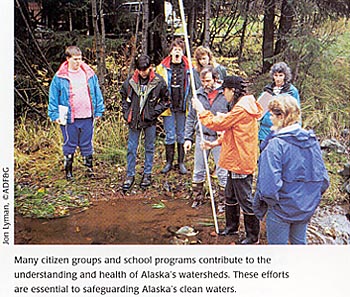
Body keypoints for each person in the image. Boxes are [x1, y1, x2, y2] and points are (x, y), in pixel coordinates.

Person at [192, 75, 263, 244]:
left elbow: (220, 123)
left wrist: (202, 110)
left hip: (240, 160)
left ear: (233, 90)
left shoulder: (242, 109)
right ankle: (231, 227)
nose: (223, 94)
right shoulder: (241, 105)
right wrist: (214, 143)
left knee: (245, 198)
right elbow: (233, 133)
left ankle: (253, 236)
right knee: (230, 195)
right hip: (235, 158)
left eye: (224, 90)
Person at [253, 94, 329, 245]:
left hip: (281, 210)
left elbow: (268, 188)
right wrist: (307, 200)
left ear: (281, 116)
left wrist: (272, 205)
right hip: (304, 207)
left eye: (271, 114)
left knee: (278, 255)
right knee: (299, 245)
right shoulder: (312, 141)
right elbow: (324, 181)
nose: (269, 118)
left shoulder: (276, 145)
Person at [48, 45, 105, 180]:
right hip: (68, 116)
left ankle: (89, 169)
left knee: (87, 142)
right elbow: (53, 96)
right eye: (75, 59)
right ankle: (68, 171)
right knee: (69, 142)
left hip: (87, 115)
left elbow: (97, 92)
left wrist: (98, 110)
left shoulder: (89, 74)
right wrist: (54, 114)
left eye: (80, 59)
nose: (78, 62)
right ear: (68, 59)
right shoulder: (60, 77)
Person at [121, 54, 170, 191]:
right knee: (131, 148)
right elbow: (123, 98)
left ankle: (147, 174)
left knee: (149, 147)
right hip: (134, 120)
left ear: (150, 67)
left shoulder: (158, 82)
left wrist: (153, 112)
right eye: (140, 70)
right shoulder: (130, 81)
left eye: (145, 69)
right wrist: (127, 113)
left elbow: (166, 100)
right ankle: (130, 175)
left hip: (150, 120)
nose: (142, 73)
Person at [184, 66, 228, 212]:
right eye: (203, 81)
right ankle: (197, 198)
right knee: (198, 170)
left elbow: (231, 116)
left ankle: (223, 201)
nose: (205, 84)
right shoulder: (197, 95)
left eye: (208, 81)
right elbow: (191, 118)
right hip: (201, 136)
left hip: (219, 138)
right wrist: (187, 138)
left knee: (222, 171)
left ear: (215, 79)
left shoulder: (224, 94)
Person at [156, 38, 199, 175]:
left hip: (183, 106)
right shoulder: (162, 68)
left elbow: (195, 86)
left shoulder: (190, 68)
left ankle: (181, 162)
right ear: (170, 52)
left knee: (181, 134)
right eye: (175, 50)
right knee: (169, 135)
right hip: (168, 106)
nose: (177, 52)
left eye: (180, 50)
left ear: (183, 52)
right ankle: (169, 162)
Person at [258, 62, 300, 142]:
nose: (278, 78)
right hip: (265, 132)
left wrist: (296, 132)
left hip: (283, 130)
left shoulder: (292, 91)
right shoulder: (267, 91)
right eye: (276, 75)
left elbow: (297, 113)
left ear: (285, 76)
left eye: (281, 75)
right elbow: (258, 111)